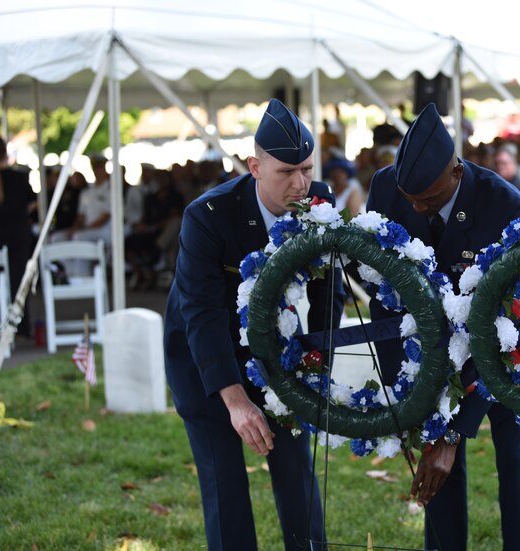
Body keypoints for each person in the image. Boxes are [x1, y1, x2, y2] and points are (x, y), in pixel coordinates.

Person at [367, 103, 520, 551]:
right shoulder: (385, 189)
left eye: (427, 200)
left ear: (456, 172)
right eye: (408, 197)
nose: (415, 207)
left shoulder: (506, 208)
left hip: (511, 346)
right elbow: (383, 294)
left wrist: (455, 431)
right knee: (436, 465)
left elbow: (502, 330)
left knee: (514, 457)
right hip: (431, 345)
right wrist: (404, 397)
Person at [164, 99, 344, 551]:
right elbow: (202, 313)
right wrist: (235, 400)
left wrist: (315, 360)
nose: (300, 184)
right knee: (225, 480)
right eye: (286, 172)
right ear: (254, 167)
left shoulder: (318, 199)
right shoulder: (207, 217)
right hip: (202, 350)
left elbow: (330, 289)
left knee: (295, 469)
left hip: (273, 348)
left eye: (306, 168)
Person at [0, 136, 36, 337]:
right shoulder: (19, 178)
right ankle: (21, 327)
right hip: (16, 239)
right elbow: (33, 204)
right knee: (18, 285)